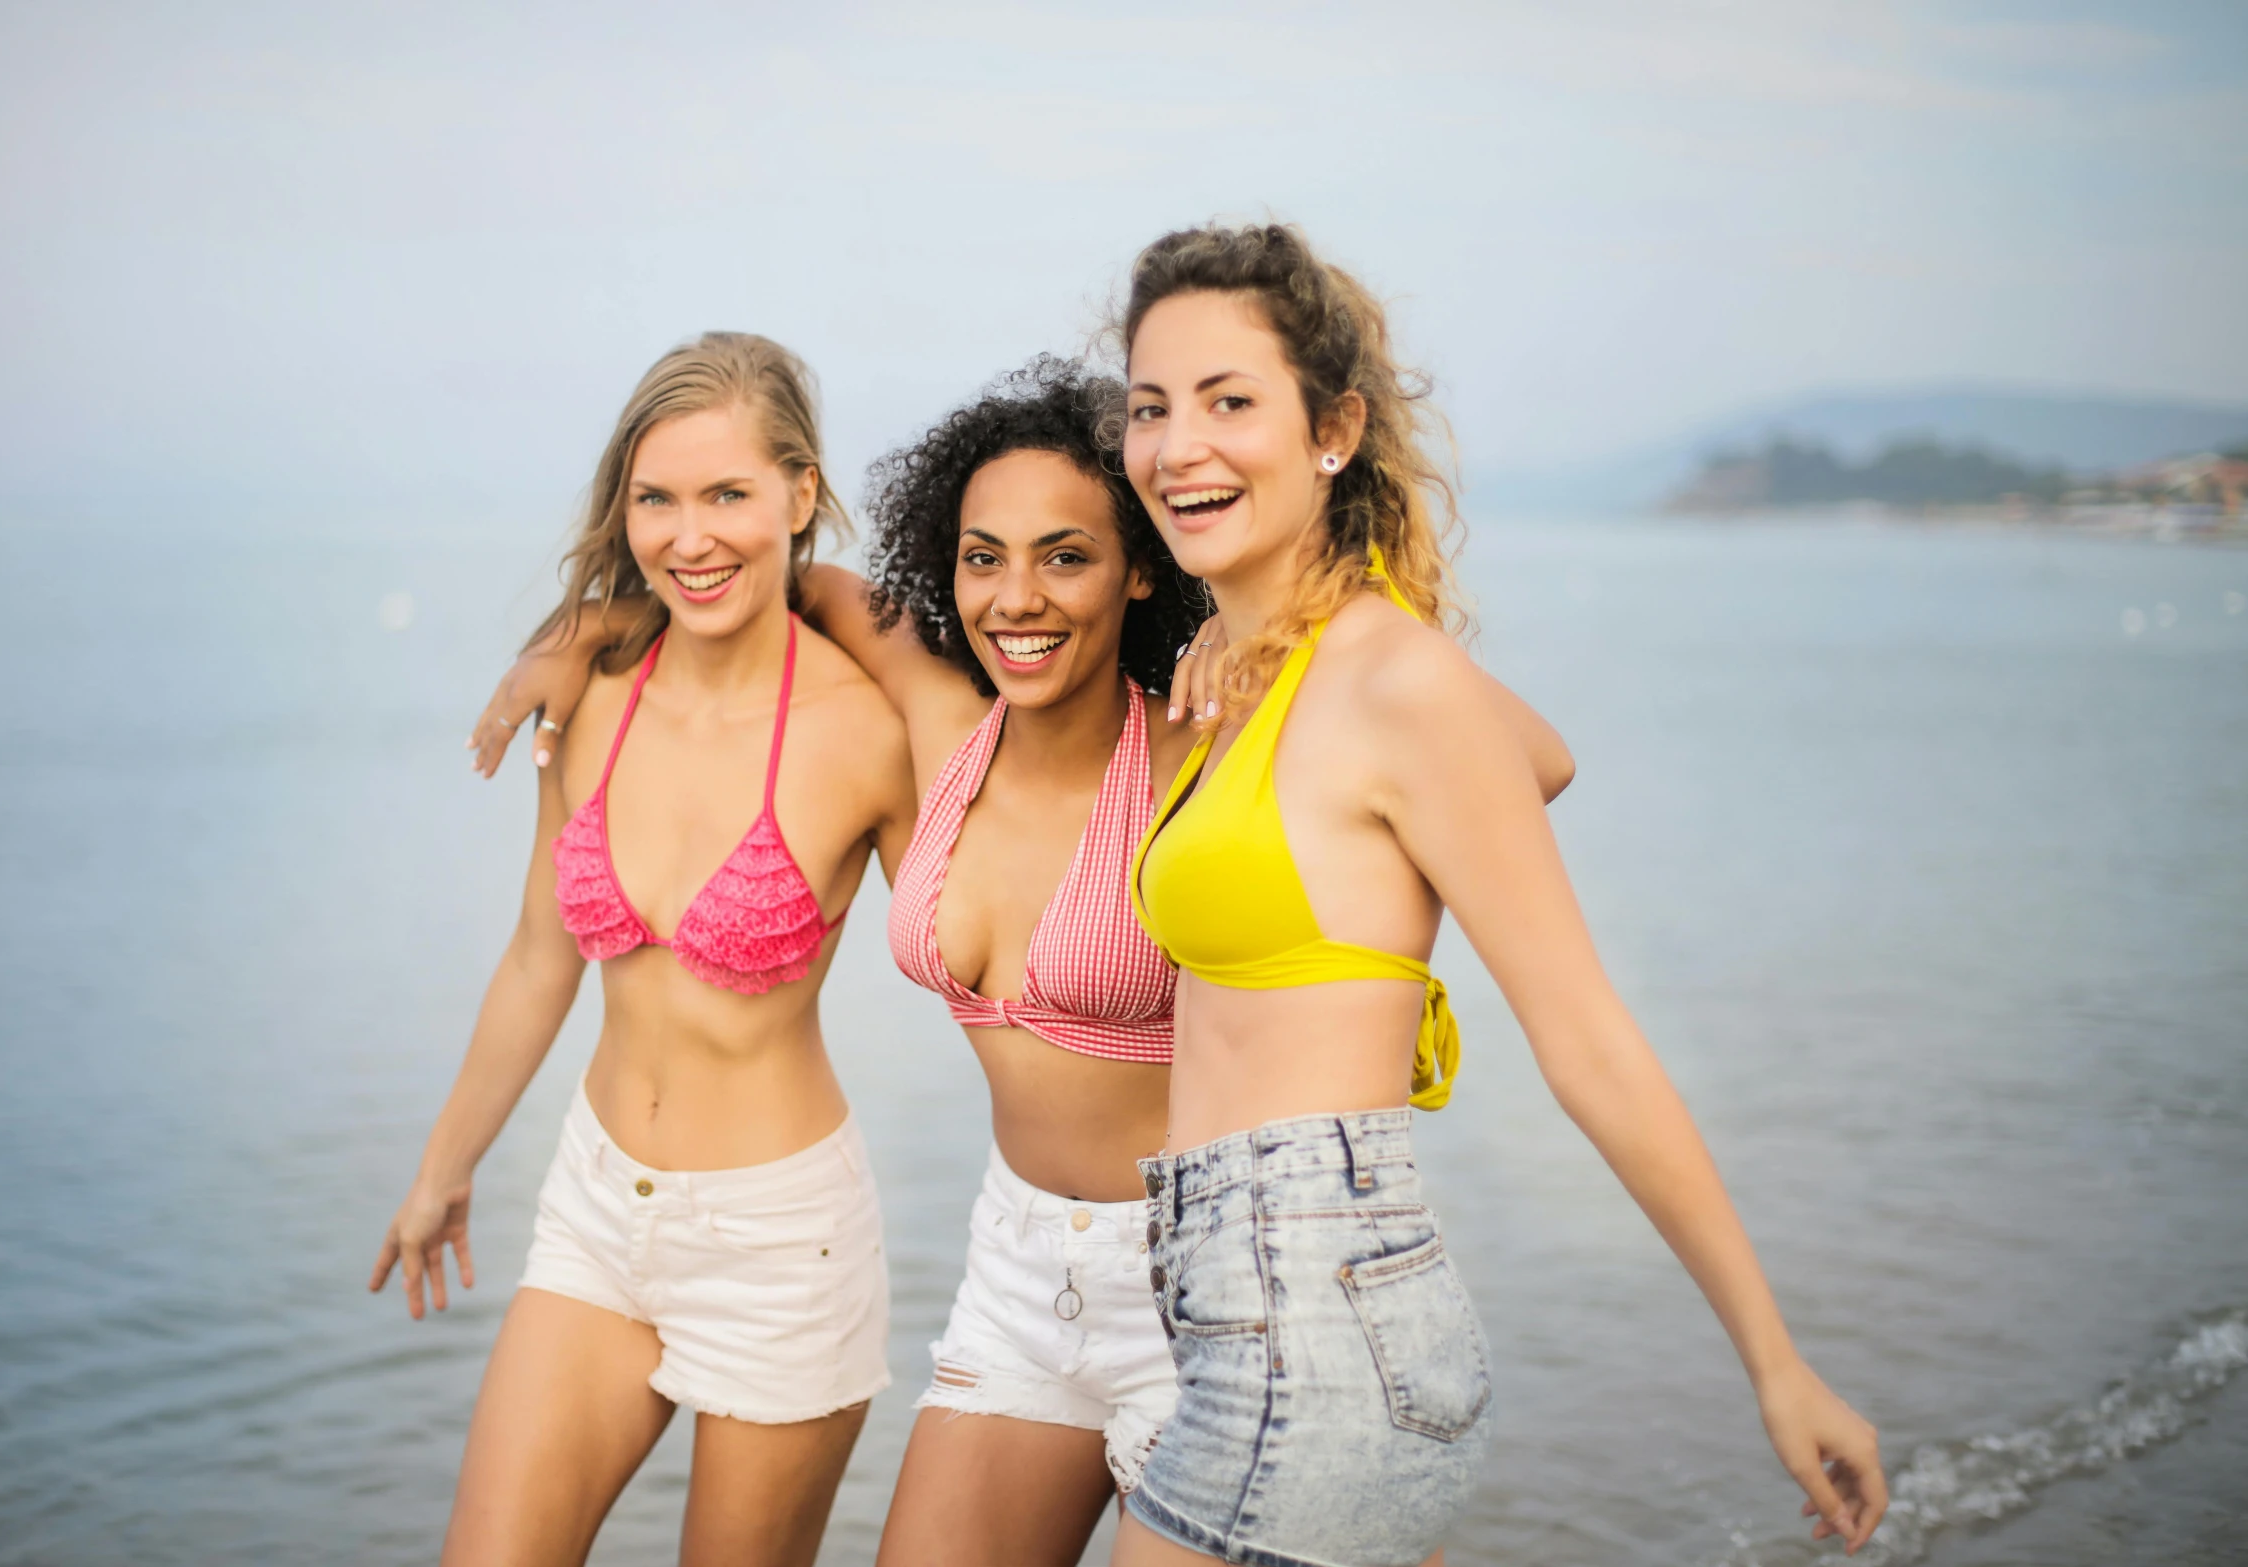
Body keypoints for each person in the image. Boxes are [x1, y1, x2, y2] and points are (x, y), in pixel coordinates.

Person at [468, 358, 1576, 1566]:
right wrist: (587, 627)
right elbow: (786, 579)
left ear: (1140, 566)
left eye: (1066, 555)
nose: (1016, 597)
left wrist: (1285, 627)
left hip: (1207, 1287)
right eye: (982, 557)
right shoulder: (941, 718)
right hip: (1020, 1273)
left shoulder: (1205, 743)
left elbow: (1532, 755)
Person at [1108, 223, 1889, 1567]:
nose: (1180, 445)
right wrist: (1229, 644)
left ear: (1331, 429)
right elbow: (1546, 753)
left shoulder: (1392, 685)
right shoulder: (1283, 675)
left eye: (1230, 401)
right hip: (1258, 1318)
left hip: (1317, 1337)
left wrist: (1773, 1359)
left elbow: (1589, 1043)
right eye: (1150, 407)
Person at [371, 332, 917, 1567]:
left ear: (800, 493)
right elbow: (536, 956)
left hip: (782, 1244)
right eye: (656, 499)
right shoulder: (597, 691)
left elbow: (979, 934)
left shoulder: (860, 733)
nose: (690, 536)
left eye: (728, 493)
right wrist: (442, 1168)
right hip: (596, 1210)